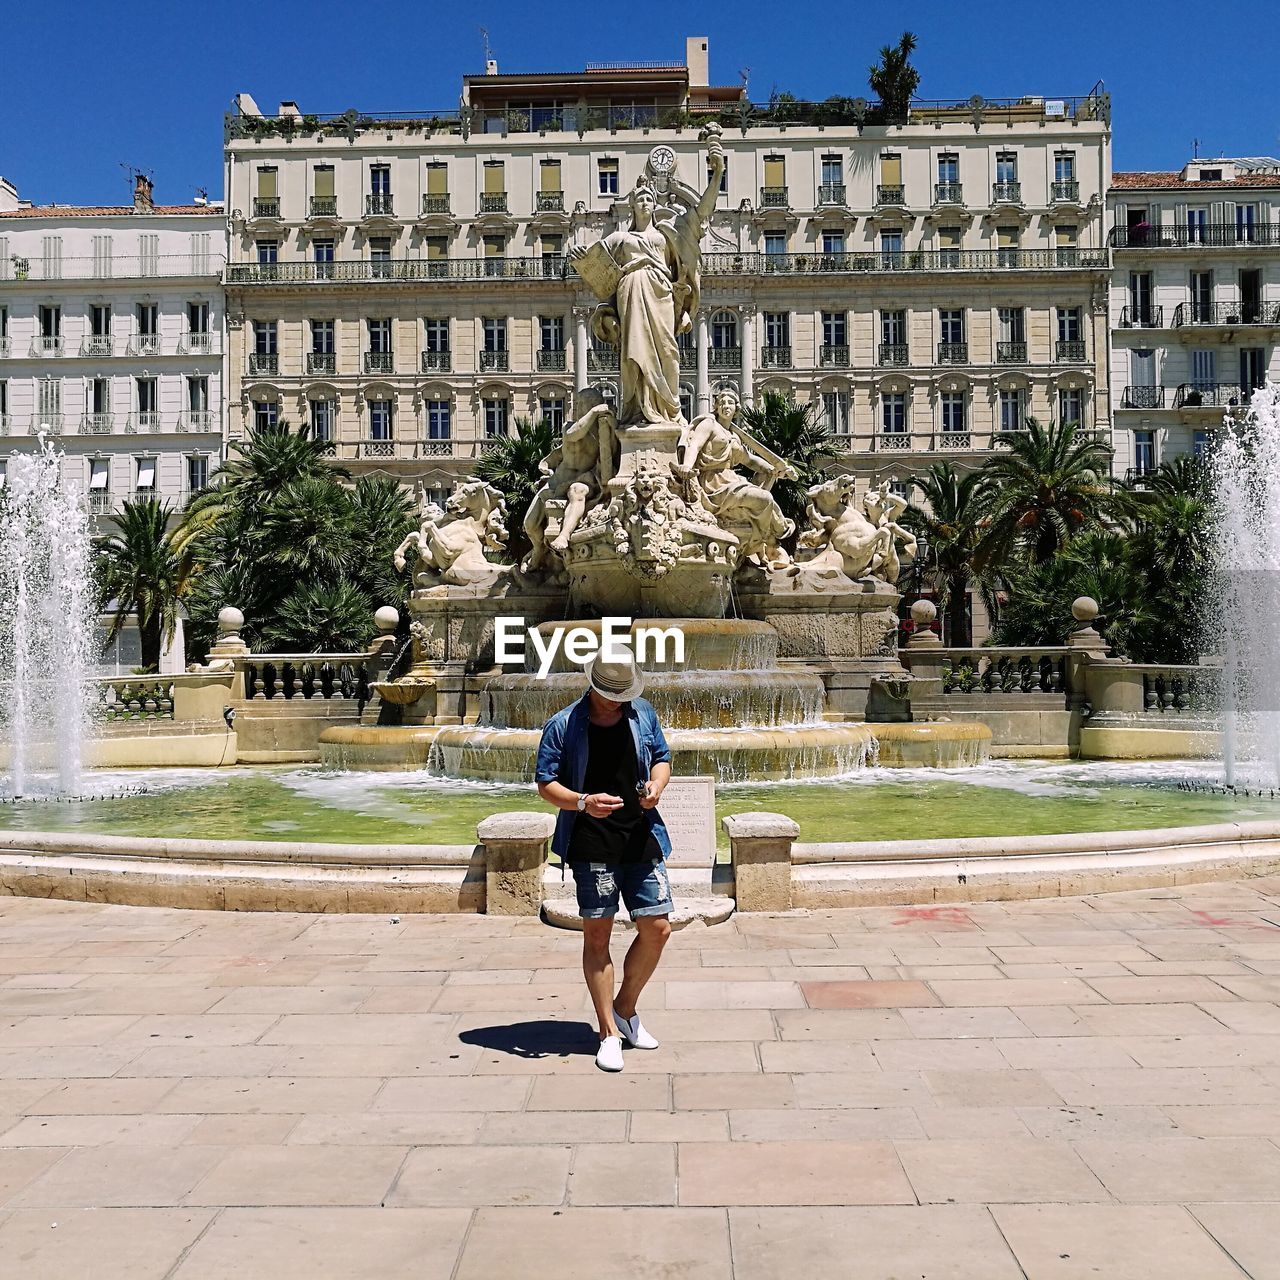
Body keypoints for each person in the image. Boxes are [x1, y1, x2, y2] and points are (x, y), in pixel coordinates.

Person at [535, 655, 674, 1072]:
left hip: (641, 833)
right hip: (591, 841)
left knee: (658, 927)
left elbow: (662, 758)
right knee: (598, 936)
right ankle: (607, 1033)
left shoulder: (643, 712)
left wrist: (656, 786)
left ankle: (624, 1010)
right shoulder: (563, 724)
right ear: (593, 687)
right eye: (613, 696)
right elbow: (545, 784)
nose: (619, 703)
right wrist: (582, 802)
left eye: (624, 695)